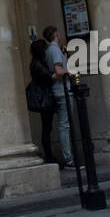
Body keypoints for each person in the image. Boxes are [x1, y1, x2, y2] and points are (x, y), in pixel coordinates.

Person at [41, 26, 75, 168]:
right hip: (62, 90)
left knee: (64, 125)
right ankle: (68, 158)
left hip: (59, 90)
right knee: (64, 126)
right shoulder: (53, 50)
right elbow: (58, 70)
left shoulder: (51, 50)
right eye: (58, 33)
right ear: (55, 34)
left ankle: (68, 157)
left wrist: (65, 54)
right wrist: (71, 72)